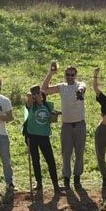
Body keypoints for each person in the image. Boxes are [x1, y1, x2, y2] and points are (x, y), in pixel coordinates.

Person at [42, 60, 86, 190]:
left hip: (79, 124)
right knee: (66, 154)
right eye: (68, 74)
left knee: (79, 153)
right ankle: (66, 179)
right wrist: (50, 73)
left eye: (72, 74)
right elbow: (44, 90)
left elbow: (82, 88)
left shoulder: (80, 84)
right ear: (65, 75)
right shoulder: (62, 86)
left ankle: (77, 178)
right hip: (66, 125)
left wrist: (79, 91)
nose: (70, 77)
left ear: (76, 75)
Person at [24, 85, 62, 194]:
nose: (38, 96)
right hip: (32, 136)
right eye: (36, 94)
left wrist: (54, 115)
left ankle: (56, 185)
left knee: (50, 160)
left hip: (44, 137)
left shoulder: (48, 105)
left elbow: (52, 121)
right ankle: (39, 183)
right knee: (35, 160)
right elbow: (28, 95)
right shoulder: (31, 105)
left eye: (39, 94)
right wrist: (34, 92)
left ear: (43, 95)